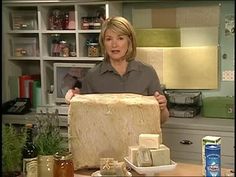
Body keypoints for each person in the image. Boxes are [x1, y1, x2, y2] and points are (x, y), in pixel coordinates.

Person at [65, 16, 169, 124]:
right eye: (109, 39)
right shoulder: (93, 76)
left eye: (120, 38)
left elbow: (162, 119)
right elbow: (84, 118)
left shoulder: (147, 72)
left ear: (129, 41)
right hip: (105, 139)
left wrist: (162, 107)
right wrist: (73, 99)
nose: (114, 45)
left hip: (139, 139)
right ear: (103, 43)